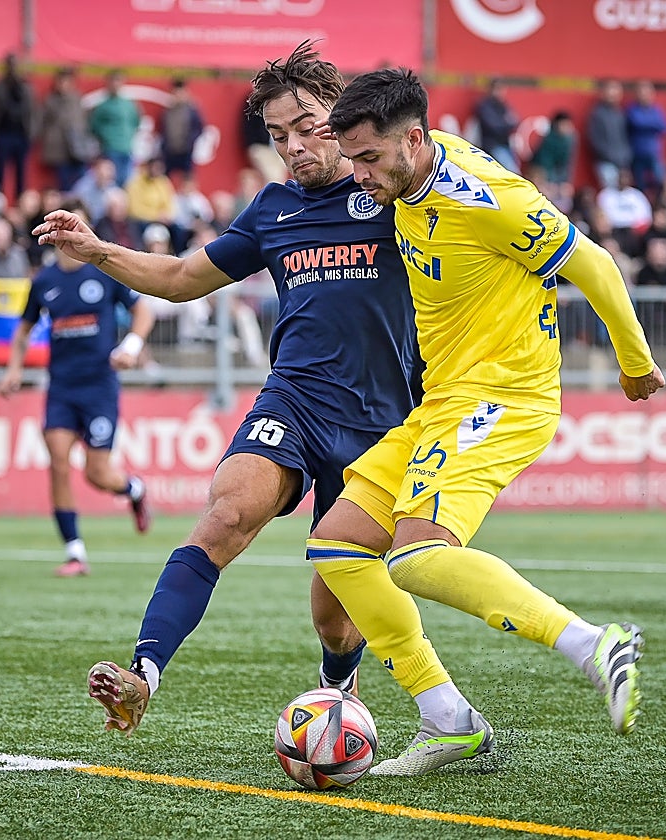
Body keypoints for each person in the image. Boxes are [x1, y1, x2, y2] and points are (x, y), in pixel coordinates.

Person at [33, 43, 424, 740]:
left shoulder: (395, 192)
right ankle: (141, 677)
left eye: (307, 126)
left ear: (340, 116)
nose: (294, 145)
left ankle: (339, 689)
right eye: (277, 135)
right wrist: (97, 251)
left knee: (334, 619)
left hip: (385, 428)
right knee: (224, 515)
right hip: (296, 402)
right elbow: (184, 279)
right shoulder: (273, 208)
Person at [311, 67, 664, 774]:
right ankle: (449, 722)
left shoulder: (488, 199)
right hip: (443, 399)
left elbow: (593, 264)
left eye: (369, 158)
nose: (359, 176)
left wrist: (634, 362)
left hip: (505, 395)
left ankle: (594, 643)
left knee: (415, 557)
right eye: (351, 159)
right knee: (339, 546)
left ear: (413, 140)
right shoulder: (407, 173)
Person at [0, 208, 155, 576]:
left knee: (98, 474)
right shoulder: (44, 281)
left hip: (99, 387)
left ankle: (133, 490)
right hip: (62, 388)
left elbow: (142, 310)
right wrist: (14, 370)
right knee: (58, 461)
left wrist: (130, 347)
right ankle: (75, 552)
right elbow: (22, 332)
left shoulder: (103, 269)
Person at [0, 53, 35, 200]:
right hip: (3, 134)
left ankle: (20, 201)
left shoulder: (26, 88)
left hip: (21, 135)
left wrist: (31, 133)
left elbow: (32, 111)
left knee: (21, 173)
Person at [88, 70, 140, 187]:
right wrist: (107, 137)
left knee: (127, 182)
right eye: (112, 81)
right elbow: (94, 126)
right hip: (110, 148)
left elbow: (136, 122)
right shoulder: (103, 106)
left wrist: (128, 137)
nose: (115, 84)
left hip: (127, 148)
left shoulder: (129, 105)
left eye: (118, 81)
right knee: (111, 181)